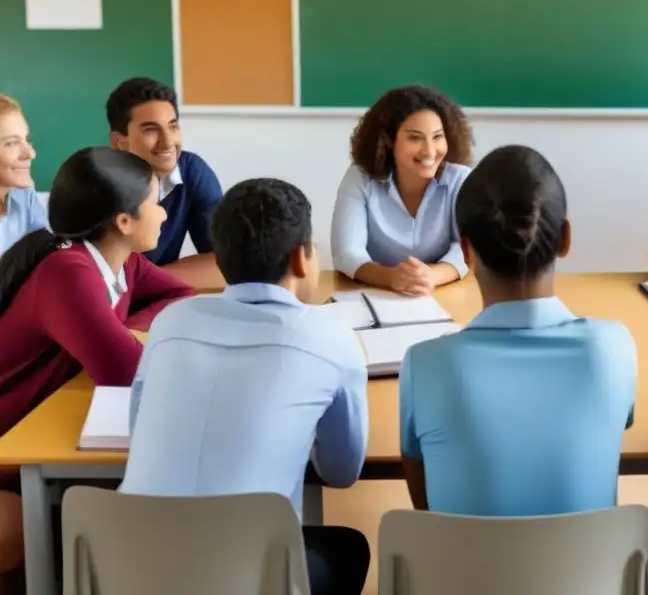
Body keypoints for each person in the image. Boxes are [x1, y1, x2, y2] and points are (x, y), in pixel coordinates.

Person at [120, 178, 371, 595]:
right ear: (302, 258)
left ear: (219, 260)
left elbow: (137, 431)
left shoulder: (170, 322)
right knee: (347, 547)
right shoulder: (329, 336)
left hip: (127, 565)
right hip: (248, 575)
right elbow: (342, 472)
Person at [398, 145, 637, 515]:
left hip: (462, 573)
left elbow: (426, 505)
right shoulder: (614, 347)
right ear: (565, 239)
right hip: (587, 572)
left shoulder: (425, 363)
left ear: (466, 252)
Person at [0, 147, 195, 590]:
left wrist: (118, 327)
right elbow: (126, 374)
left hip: (34, 431)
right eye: (153, 202)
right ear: (123, 221)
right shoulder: (69, 271)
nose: (164, 214)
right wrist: (117, 337)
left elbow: (178, 295)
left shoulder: (121, 259)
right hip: (10, 443)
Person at [331, 84, 474, 295]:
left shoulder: (460, 179)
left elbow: (468, 248)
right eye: (415, 137)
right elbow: (347, 252)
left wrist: (431, 276)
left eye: (437, 137)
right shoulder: (360, 178)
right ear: (388, 141)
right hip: (374, 296)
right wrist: (391, 278)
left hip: (445, 295)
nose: (429, 151)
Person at [107, 77, 224, 290]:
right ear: (118, 141)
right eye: (151, 129)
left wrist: (146, 280)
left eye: (173, 127)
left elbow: (227, 264)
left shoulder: (191, 172)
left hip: (151, 295)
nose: (168, 141)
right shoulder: (96, 181)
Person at [0, 95, 46, 256]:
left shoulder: (24, 194)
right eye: (11, 143)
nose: (30, 154)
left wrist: (69, 246)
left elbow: (48, 247)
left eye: (26, 140)